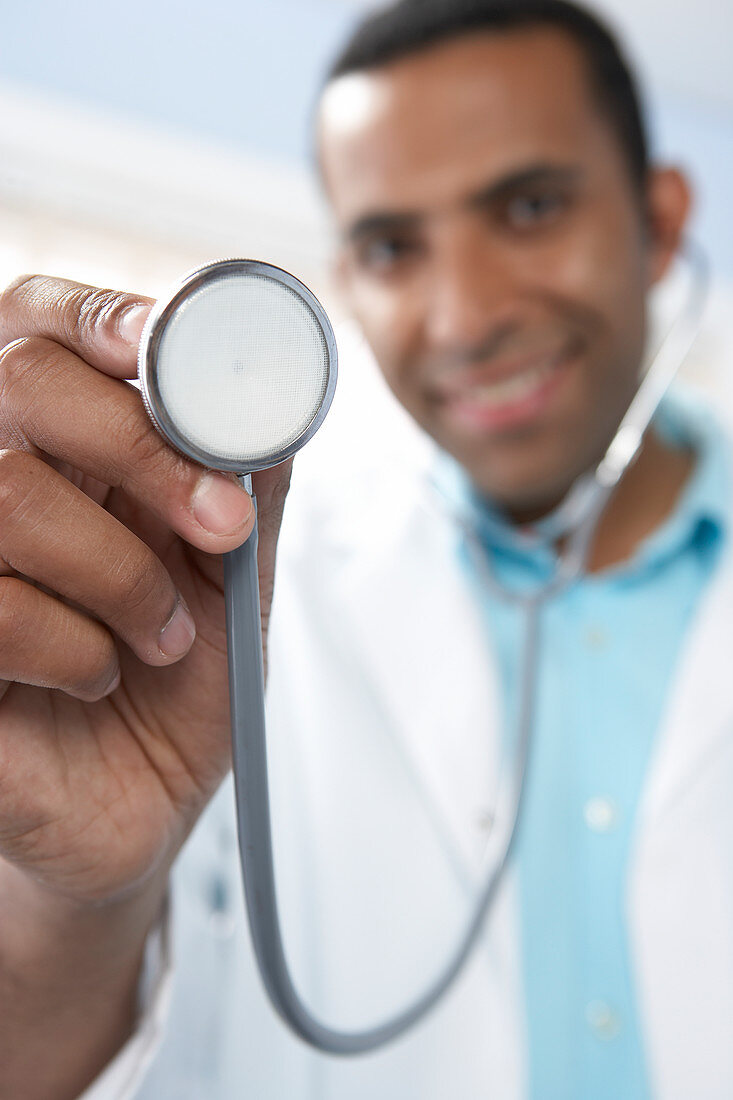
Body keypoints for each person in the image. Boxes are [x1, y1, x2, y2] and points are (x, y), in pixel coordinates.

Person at [0, 0, 731, 1097]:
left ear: (660, 220)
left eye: (529, 207)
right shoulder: (202, 616)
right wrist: (79, 906)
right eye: (392, 247)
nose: (463, 315)